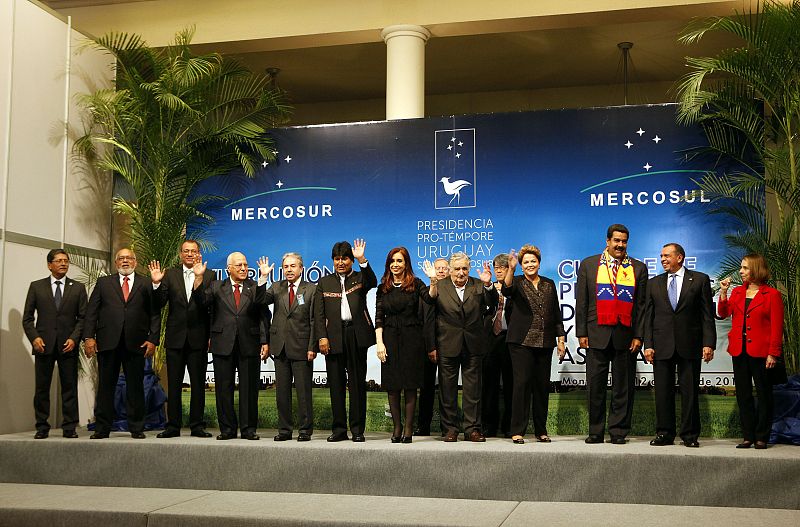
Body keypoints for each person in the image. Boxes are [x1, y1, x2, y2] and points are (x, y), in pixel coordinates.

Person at [575, 224, 648, 445]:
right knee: (595, 387)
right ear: (607, 241)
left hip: (625, 336)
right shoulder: (589, 264)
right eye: (616, 240)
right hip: (595, 333)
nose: (620, 245)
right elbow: (582, 302)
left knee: (623, 388)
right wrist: (581, 332)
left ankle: (618, 431)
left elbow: (641, 307)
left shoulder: (638, 268)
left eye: (624, 241)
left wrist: (639, 336)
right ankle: (595, 432)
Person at [643, 243, 715, 448]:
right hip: (661, 345)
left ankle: (690, 435)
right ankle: (664, 434)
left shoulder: (699, 280)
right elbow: (648, 317)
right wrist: (648, 344)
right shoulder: (654, 283)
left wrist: (708, 343)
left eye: (667, 256)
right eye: (661, 256)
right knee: (662, 393)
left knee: (690, 392)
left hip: (690, 344)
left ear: (680, 258)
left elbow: (707, 315)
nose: (663, 259)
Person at [84, 248, 160, 439]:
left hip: (137, 342)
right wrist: (89, 337)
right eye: (121, 258)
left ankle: (136, 428)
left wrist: (153, 339)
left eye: (129, 258)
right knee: (106, 386)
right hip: (108, 342)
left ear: (135, 262)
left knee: (135, 387)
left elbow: (154, 313)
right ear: (116, 262)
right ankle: (102, 428)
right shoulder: (103, 283)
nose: (125, 261)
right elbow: (92, 312)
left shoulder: (146, 283)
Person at [193, 252, 270, 440]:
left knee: (249, 389)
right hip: (223, 343)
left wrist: (265, 341)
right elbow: (201, 302)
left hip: (249, 343)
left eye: (245, 265)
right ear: (229, 268)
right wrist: (198, 278)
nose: (243, 268)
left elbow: (263, 312)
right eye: (239, 265)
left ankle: (248, 429)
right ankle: (227, 429)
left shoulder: (255, 286)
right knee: (223, 388)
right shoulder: (217, 286)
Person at [422, 252, 498, 442]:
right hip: (447, 343)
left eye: (464, 268)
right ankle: (450, 429)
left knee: (473, 390)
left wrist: (489, 285)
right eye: (457, 269)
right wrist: (433, 281)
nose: (461, 272)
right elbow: (429, 304)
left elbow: (492, 303)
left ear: (469, 269)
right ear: (450, 270)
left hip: (473, 344)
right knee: (447, 390)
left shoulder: (479, 284)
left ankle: (472, 429)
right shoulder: (439, 285)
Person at [148, 240, 215, 439]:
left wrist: (199, 278)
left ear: (199, 254)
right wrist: (156, 283)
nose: (190, 254)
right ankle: (173, 426)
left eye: (193, 251)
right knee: (175, 384)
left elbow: (207, 304)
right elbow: (158, 303)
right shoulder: (170, 274)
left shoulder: (209, 275)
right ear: (180, 254)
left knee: (198, 384)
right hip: (175, 338)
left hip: (198, 338)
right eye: (186, 251)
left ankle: (197, 426)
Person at [718, 253, 784, 449]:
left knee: (764, 395)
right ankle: (748, 436)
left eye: (745, 268)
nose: (741, 271)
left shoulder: (772, 295)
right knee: (743, 394)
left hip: (762, 353)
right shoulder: (738, 292)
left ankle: (762, 436)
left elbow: (777, 327)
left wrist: (773, 353)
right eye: (741, 267)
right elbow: (723, 313)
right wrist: (724, 293)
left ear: (756, 269)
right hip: (739, 351)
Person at [502, 246, 566, 444]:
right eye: (526, 262)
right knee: (521, 386)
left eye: (533, 261)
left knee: (541, 387)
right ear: (521, 265)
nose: (530, 264)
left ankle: (541, 431)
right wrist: (511, 269)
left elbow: (556, 313)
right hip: (521, 342)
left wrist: (561, 339)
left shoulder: (549, 283)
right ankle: (517, 431)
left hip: (545, 342)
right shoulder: (517, 281)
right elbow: (506, 290)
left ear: (539, 262)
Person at [315, 239, 376, 442]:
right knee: (336, 385)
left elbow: (372, 281)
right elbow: (319, 313)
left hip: (356, 335)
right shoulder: (324, 282)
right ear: (333, 260)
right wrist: (322, 337)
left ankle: (357, 431)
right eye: (337, 259)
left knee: (357, 384)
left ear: (351, 260)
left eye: (345, 259)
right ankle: (339, 430)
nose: (340, 262)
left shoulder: (360, 277)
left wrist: (362, 259)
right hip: (332, 337)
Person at [22, 249, 88, 439]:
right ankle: (42, 427)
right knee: (42, 388)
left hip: (68, 345)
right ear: (49, 265)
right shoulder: (37, 287)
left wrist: (74, 338)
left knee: (69, 388)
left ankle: (70, 427)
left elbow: (83, 318)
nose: (63, 264)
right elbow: (27, 318)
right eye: (59, 261)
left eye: (66, 260)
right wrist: (34, 338)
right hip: (43, 345)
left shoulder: (78, 288)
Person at [375, 247, 435, 443]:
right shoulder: (383, 287)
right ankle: (397, 427)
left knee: (410, 385)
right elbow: (378, 318)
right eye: (392, 261)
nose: (395, 264)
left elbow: (430, 298)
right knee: (392, 386)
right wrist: (379, 343)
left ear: (406, 263)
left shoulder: (416, 284)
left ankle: (408, 428)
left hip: (412, 339)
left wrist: (433, 280)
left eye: (399, 261)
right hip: (389, 339)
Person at [258, 252, 317, 442]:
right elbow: (260, 301)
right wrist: (263, 277)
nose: (289, 270)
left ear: (301, 268)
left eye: (293, 266)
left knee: (303, 393)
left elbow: (314, 320)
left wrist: (312, 346)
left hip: (302, 347)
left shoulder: (311, 289)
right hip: (280, 346)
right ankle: (284, 430)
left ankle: (305, 430)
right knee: (282, 393)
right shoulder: (276, 287)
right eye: (286, 267)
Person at [482, 253, 514, 438]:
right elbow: (486, 304)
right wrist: (488, 287)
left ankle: (509, 426)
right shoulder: (488, 287)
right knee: (489, 385)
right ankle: (489, 425)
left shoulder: (516, 287)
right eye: (496, 267)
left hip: (511, 338)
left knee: (511, 384)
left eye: (503, 267)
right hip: (490, 339)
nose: (499, 270)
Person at [416, 257, 448, 436]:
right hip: (428, 346)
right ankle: (423, 426)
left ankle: (447, 428)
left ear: (450, 271)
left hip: (450, 345)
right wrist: (431, 347)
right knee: (426, 388)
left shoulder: (454, 291)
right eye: (438, 268)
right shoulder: (426, 293)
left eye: (444, 268)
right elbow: (426, 321)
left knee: (447, 389)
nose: (441, 271)